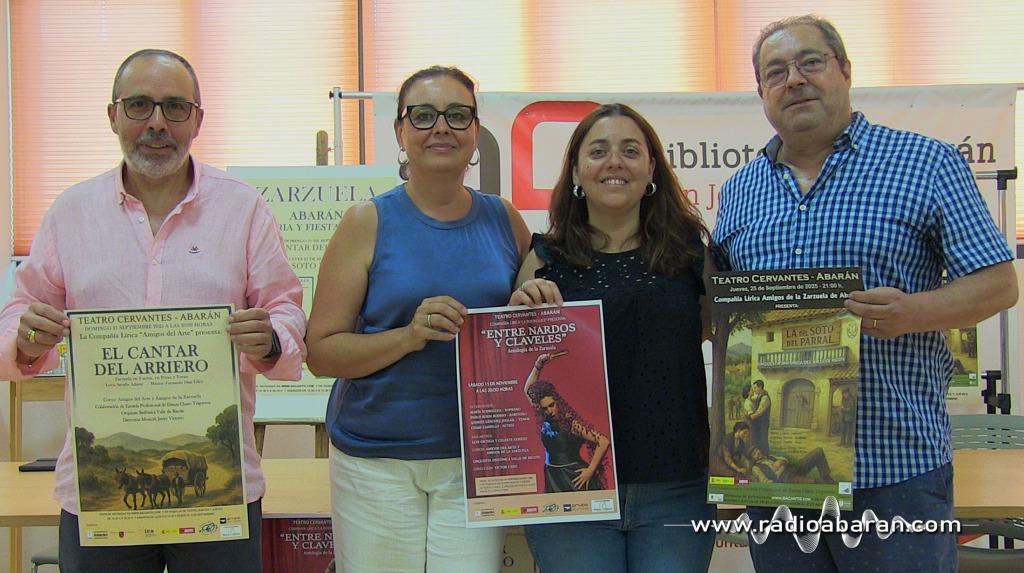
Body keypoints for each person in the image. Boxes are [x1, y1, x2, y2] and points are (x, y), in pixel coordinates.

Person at [712, 14, 1017, 572]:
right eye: (775, 72)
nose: (795, 80)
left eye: (810, 62)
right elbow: (728, 312)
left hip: (896, 469)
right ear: (761, 94)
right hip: (779, 485)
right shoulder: (739, 191)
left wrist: (913, 311)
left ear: (845, 71)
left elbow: (999, 283)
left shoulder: (926, 163)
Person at [0, 49, 306, 572]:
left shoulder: (243, 208)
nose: (157, 124)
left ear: (198, 120)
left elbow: (286, 310)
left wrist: (271, 339)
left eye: (175, 107)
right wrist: (27, 337)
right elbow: (17, 317)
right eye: (139, 105)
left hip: (220, 488)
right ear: (113, 115)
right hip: (100, 500)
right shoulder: (70, 213)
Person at [304, 66, 531, 573]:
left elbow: (525, 330)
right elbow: (320, 352)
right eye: (424, 116)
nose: (441, 128)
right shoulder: (367, 221)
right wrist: (407, 336)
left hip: (477, 459)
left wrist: (537, 300)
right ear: (400, 132)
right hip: (376, 460)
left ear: (476, 131)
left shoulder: (505, 219)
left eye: (457, 115)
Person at [511, 103, 715, 572]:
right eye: (598, 151)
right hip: (571, 493)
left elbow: (723, 336)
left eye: (630, 150)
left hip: (677, 487)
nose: (614, 162)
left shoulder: (690, 254)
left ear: (652, 171)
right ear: (578, 172)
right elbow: (514, 361)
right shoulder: (545, 257)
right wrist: (521, 311)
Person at [523, 352, 611, 492]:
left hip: (572, 477)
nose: (549, 411)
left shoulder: (571, 423)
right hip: (552, 475)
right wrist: (538, 366)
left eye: (552, 405)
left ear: (557, 402)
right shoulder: (544, 416)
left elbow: (603, 441)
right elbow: (528, 390)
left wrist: (589, 471)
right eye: (545, 408)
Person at [746, 445, 834, 485]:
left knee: (818, 451)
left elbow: (786, 459)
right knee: (814, 482)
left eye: (757, 450)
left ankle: (826, 477)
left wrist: (781, 461)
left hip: (793, 468)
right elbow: (766, 482)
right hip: (786, 478)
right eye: (754, 454)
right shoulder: (756, 468)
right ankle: (834, 489)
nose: (757, 453)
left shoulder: (768, 456)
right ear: (752, 458)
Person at [746, 379, 771, 454]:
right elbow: (750, 399)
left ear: (760, 387)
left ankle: (766, 455)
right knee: (758, 440)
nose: (754, 390)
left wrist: (751, 416)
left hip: (763, 423)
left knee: (763, 440)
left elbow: (760, 412)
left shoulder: (765, 398)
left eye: (755, 388)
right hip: (758, 423)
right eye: (753, 388)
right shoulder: (758, 396)